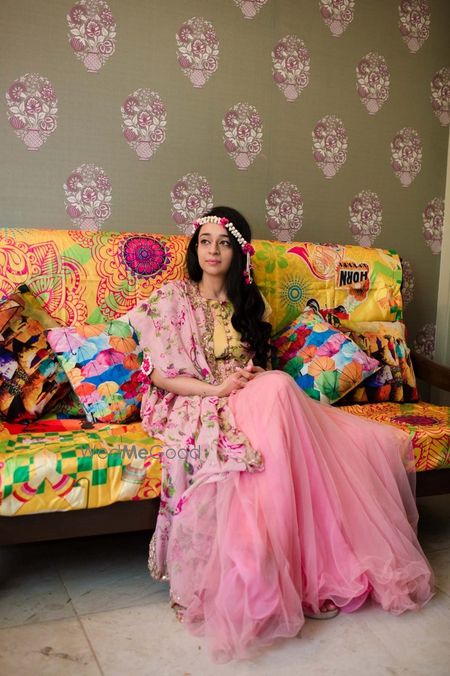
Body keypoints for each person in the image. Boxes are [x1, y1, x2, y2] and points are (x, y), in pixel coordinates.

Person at [127, 206, 434, 663]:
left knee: (337, 424)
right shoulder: (173, 298)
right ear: (195, 248)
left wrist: (249, 376)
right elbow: (165, 375)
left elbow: (261, 368)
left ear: (239, 253)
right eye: (205, 241)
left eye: (224, 242)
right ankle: (273, 572)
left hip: (251, 394)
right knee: (281, 391)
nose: (212, 250)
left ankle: (307, 571)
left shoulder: (252, 304)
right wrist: (218, 388)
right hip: (199, 398)